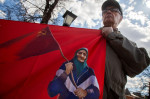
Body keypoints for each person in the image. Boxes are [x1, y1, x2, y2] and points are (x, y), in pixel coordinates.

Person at [100, 0, 150, 99]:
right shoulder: (91, 39)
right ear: (102, 17)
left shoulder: (130, 44)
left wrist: (112, 36)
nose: (108, 12)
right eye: (105, 11)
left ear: (121, 18)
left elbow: (140, 63)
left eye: (114, 10)